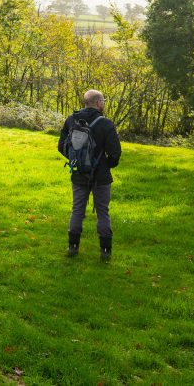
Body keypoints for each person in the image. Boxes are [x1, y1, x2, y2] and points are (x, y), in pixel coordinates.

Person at [58, 89, 121, 262]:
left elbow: (61, 146)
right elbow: (115, 153)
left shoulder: (72, 120)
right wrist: (104, 166)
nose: (104, 104)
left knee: (77, 210)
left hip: (78, 174)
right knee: (103, 212)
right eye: (104, 101)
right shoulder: (106, 124)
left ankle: (73, 247)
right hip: (101, 177)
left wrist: (76, 160)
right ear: (98, 102)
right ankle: (105, 251)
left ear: (86, 102)